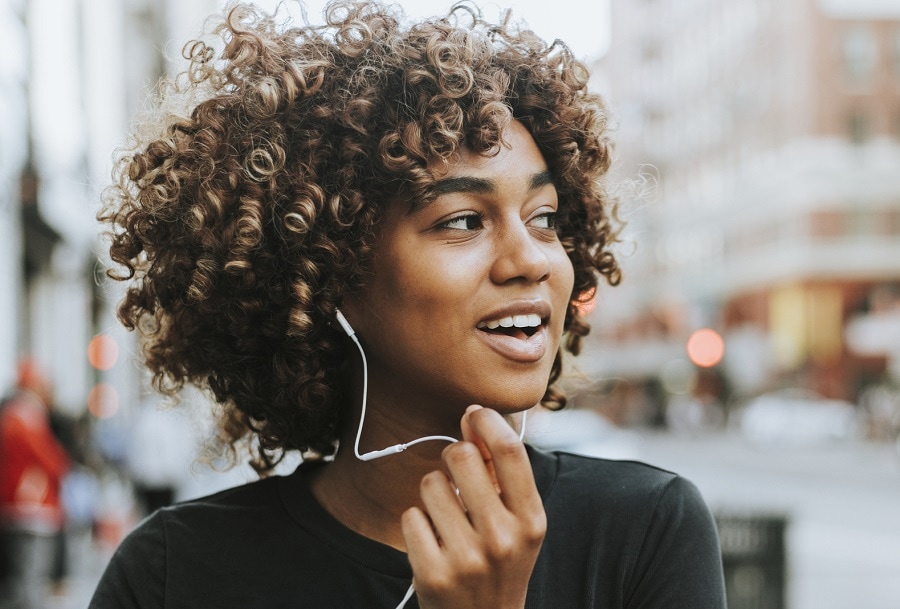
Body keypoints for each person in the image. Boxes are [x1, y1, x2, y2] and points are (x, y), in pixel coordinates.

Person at [89, 1, 726, 607]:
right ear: (328, 273)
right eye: (462, 221)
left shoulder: (644, 534)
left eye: (545, 217)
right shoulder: (175, 575)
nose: (530, 260)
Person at [0, 359, 71, 609]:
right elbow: (51, 461)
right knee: (31, 575)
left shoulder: (14, 415)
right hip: (31, 506)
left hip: (17, 504)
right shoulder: (25, 416)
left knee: (24, 575)